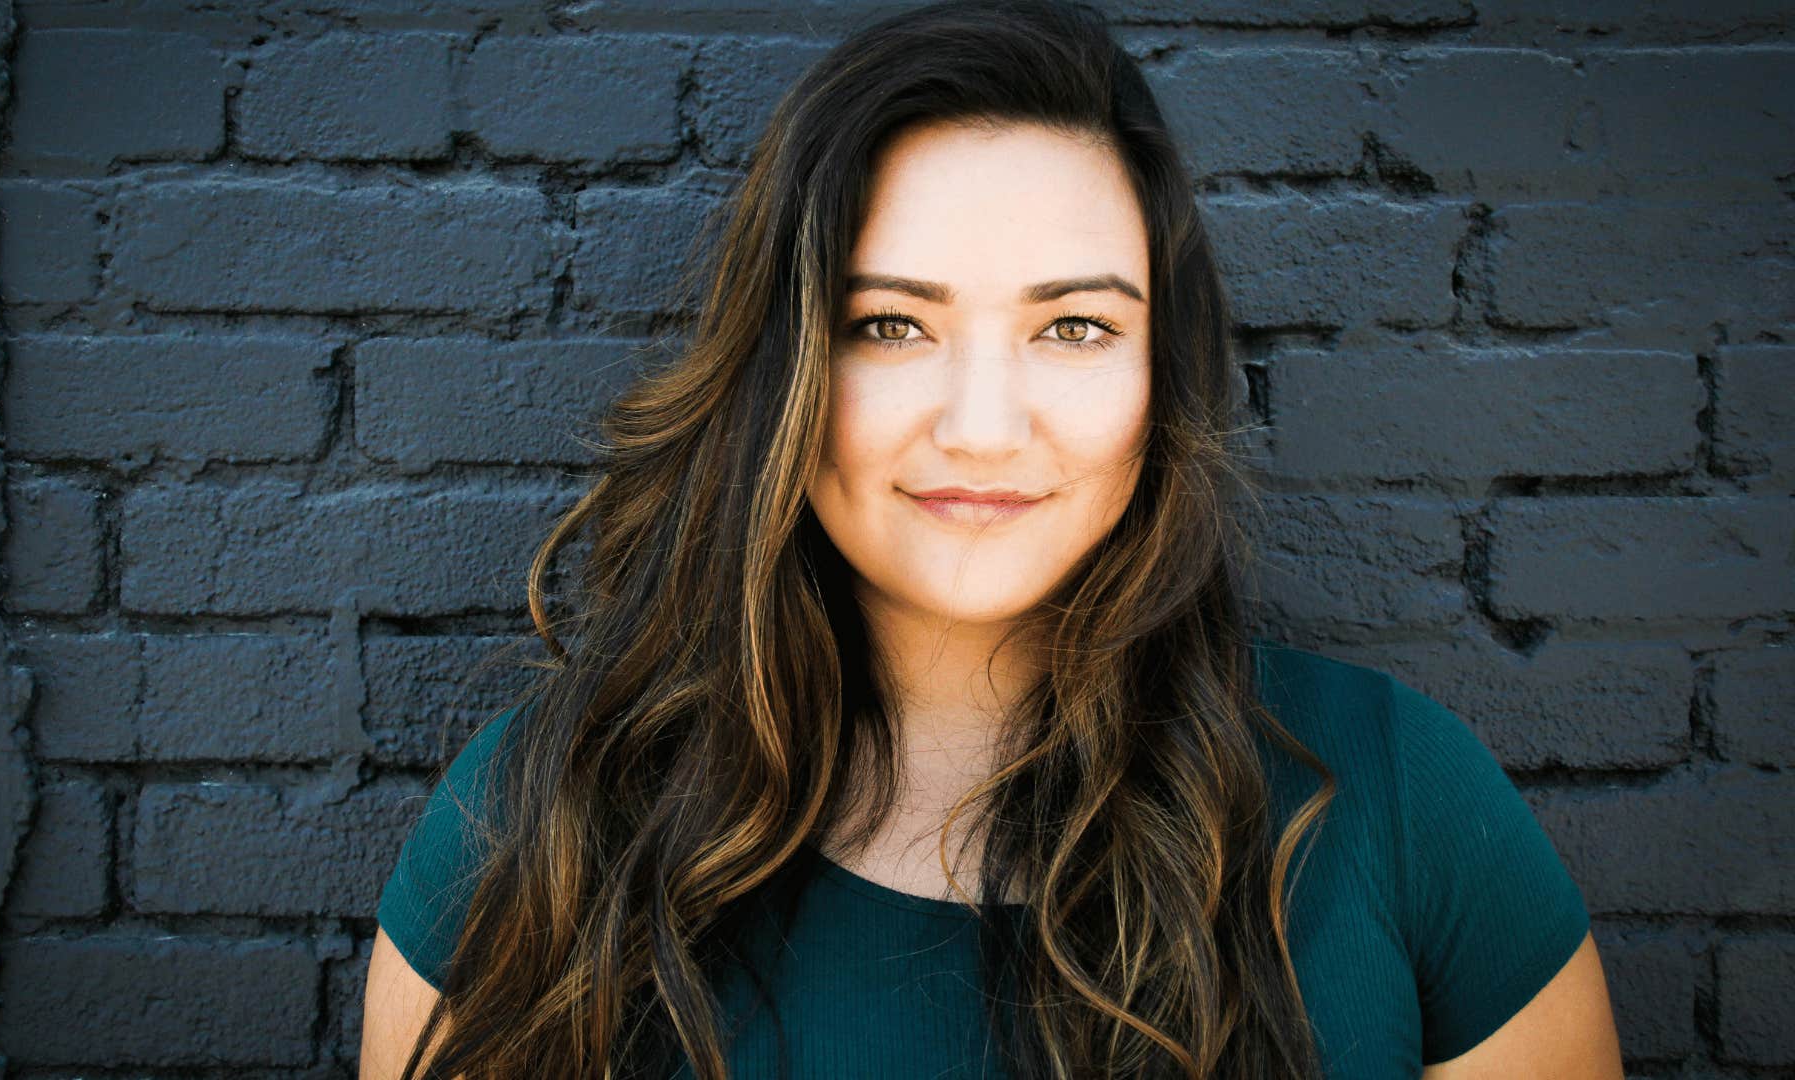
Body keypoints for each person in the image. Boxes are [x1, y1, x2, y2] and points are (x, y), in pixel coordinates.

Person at [360, 1, 1624, 1076]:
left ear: (1160, 383)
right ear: (782, 370)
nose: (980, 427)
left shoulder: (1402, 803)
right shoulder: (541, 822)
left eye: (1073, 328)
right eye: (890, 325)